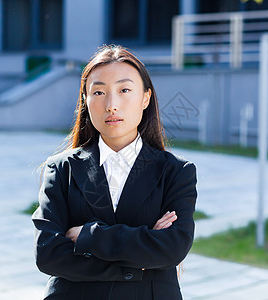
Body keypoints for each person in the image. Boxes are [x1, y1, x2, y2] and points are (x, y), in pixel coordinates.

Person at [32, 45, 197, 300]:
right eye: (99, 92)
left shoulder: (176, 172)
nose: (111, 104)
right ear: (86, 101)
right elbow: (48, 254)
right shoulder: (61, 168)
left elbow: (172, 248)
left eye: (124, 90)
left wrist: (87, 235)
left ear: (145, 98)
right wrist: (141, 250)